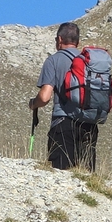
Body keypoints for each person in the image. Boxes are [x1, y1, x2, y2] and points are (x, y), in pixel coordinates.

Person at [30, 21, 99, 171]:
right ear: (77, 41)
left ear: (59, 39)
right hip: (89, 125)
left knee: (61, 174)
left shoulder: (53, 60)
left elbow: (44, 97)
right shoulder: (90, 61)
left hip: (63, 124)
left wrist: (33, 103)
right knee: (85, 177)